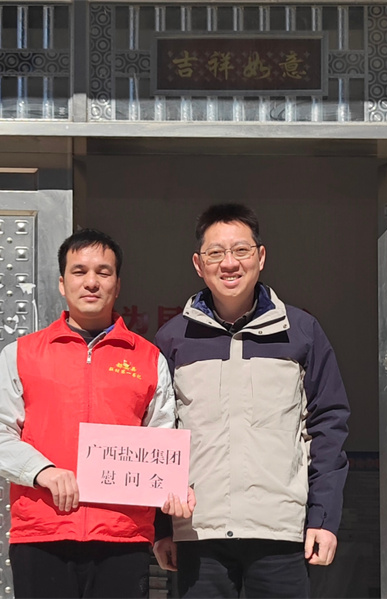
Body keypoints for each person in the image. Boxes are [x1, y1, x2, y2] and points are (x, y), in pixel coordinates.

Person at [0, 228, 191, 599]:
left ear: (117, 285)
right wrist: (41, 471)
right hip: (42, 534)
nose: (91, 282)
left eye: (103, 272)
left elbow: (162, 439)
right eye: (79, 271)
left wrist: (169, 497)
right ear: (62, 283)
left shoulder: (147, 358)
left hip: (123, 536)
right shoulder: (23, 354)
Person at [153, 204, 351, 598]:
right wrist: (162, 528)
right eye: (215, 253)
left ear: (261, 257)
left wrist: (323, 518)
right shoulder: (173, 339)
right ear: (198, 264)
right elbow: (158, 432)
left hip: (280, 531)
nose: (229, 263)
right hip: (198, 531)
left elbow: (327, 426)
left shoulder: (301, 332)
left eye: (241, 250)